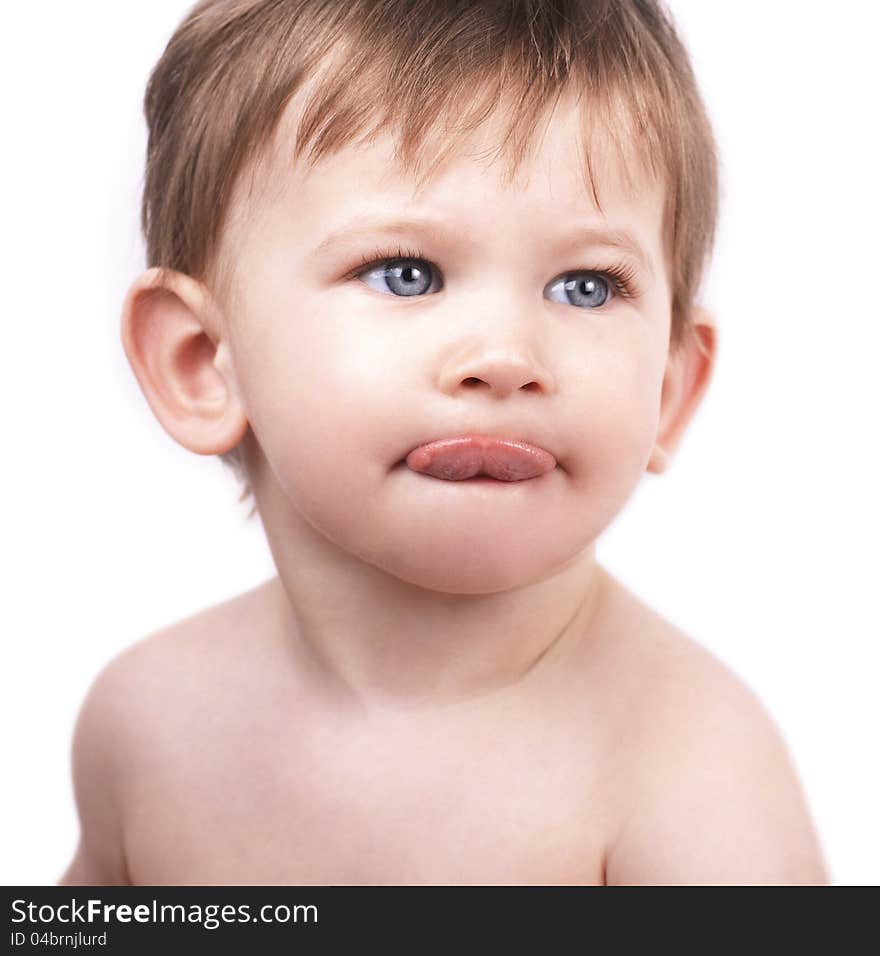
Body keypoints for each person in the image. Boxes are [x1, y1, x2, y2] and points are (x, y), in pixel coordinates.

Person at [60, 0, 829, 885]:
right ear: (201, 362)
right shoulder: (147, 728)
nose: (507, 358)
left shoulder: (694, 780)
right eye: (407, 274)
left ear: (667, 387)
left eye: (585, 286)